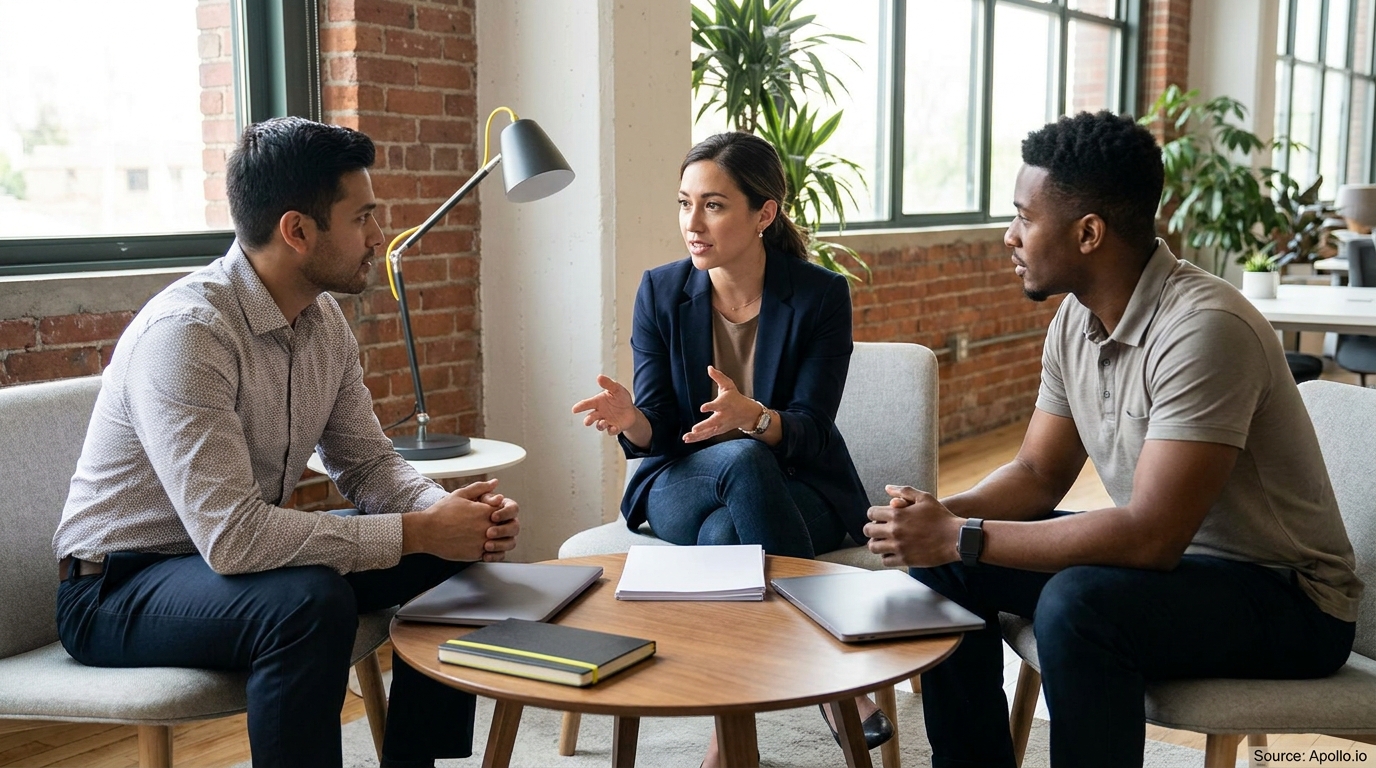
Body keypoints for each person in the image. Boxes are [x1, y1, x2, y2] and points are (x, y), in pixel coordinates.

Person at [864, 111, 1362, 768]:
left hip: (1287, 600)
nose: (1009, 237)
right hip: (1179, 572)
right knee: (947, 565)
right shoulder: (1077, 317)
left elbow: (1151, 539)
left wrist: (961, 532)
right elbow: (1040, 473)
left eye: (1023, 217)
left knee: (1078, 605)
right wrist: (936, 521)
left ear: (1088, 232)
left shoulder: (1205, 329)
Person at [52, 117, 520, 768]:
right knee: (307, 604)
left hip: (231, 569)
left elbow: (366, 463)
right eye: (363, 218)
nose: (378, 237)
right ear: (298, 231)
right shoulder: (188, 334)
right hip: (120, 589)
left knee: (453, 561)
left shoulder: (322, 320)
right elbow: (235, 538)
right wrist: (415, 531)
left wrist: (445, 519)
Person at [572, 131, 890, 767]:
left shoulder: (820, 295)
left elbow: (813, 427)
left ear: (764, 213)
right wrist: (633, 419)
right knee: (738, 464)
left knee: (726, 537)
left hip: (801, 483)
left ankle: (727, 742)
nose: (693, 223)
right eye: (684, 203)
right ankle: (832, 676)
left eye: (713, 205)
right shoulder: (661, 291)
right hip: (683, 480)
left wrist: (757, 418)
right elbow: (659, 429)